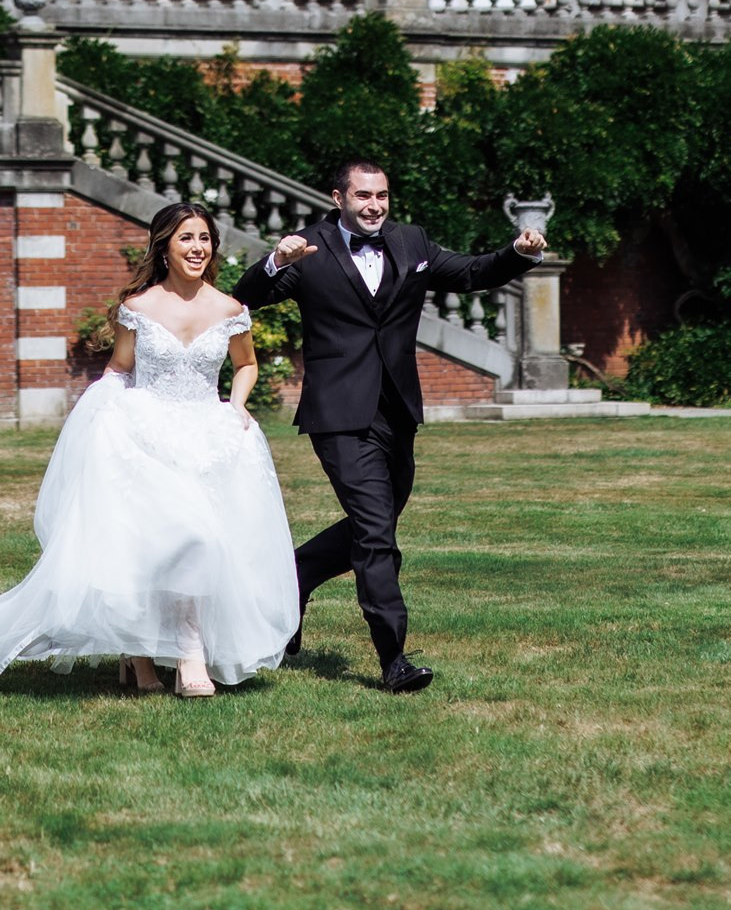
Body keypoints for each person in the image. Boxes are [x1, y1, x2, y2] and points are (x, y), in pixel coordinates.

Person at [0, 203, 298, 697]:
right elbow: (120, 369)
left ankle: (154, 655)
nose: (197, 248)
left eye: (205, 238)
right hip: (146, 431)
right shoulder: (139, 307)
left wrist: (235, 405)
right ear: (164, 247)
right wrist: (102, 416)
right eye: (186, 238)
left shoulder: (230, 310)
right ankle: (175, 656)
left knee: (201, 542)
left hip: (208, 435)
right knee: (160, 544)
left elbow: (247, 364)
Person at [234, 161, 546, 693]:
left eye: (382, 195)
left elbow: (469, 273)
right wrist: (273, 263)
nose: (374, 205)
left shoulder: (412, 241)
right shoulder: (307, 248)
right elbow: (247, 296)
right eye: (362, 196)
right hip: (338, 414)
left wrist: (518, 253)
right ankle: (393, 658)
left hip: (397, 409)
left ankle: (297, 575)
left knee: (376, 518)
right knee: (376, 535)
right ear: (339, 198)